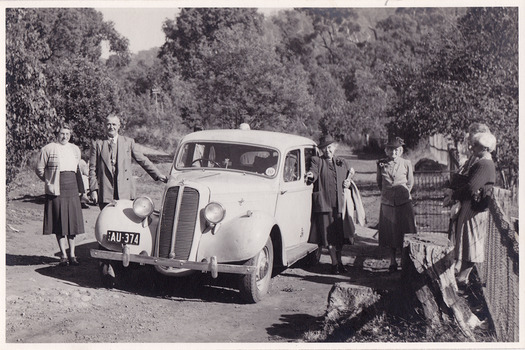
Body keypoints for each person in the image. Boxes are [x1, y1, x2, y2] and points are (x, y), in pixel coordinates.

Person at [89, 114, 168, 209]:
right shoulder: (98, 144)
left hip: (124, 191)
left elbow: (142, 160)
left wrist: (158, 174)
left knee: (124, 220)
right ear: (105, 126)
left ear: (119, 126)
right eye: (108, 124)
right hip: (106, 192)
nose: (111, 127)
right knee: (107, 221)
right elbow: (92, 169)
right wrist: (93, 190)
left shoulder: (128, 142)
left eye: (114, 124)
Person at [448, 132, 496, 286]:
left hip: (474, 209)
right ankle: (461, 277)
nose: (471, 147)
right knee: (465, 242)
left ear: (486, 148)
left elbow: (471, 188)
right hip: (471, 207)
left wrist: (453, 195)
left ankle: (462, 280)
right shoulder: (480, 162)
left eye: (475, 145)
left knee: (471, 244)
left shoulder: (484, 164)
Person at [35, 125, 85, 266]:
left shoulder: (75, 149)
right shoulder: (48, 148)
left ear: (70, 135)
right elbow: (39, 169)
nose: (65, 136)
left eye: (67, 134)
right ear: (57, 134)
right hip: (57, 188)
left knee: (72, 222)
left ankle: (73, 255)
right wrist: (50, 181)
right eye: (62, 133)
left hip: (72, 186)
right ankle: (63, 255)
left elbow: (77, 167)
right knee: (59, 221)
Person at [306, 135, 355, 274]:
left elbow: (350, 173)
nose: (327, 151)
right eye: (324, 148)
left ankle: (339, 262)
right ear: (321, 150)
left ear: (335, 147)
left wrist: (349, 181)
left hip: (339, 205)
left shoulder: (341, 161)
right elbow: (313, 172)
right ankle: (334, 263)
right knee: (329, 236)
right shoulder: (317, 161)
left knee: (340, 236)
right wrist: (310, 175)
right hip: (324, 204)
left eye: (329, 147)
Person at [376, 136, 416, 272]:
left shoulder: (406, 163)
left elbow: (410, 183)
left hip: (403, 203)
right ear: (386, 151)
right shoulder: (381, 164)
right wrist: (388, 195)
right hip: (388, 203)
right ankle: (392, 261)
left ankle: (405, 261)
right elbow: (379, 183)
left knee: (405, 232)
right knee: (390, 234)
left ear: (400, 151)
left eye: (396, 150)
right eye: (390, 150)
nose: (393, 153)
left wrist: (401, 195)